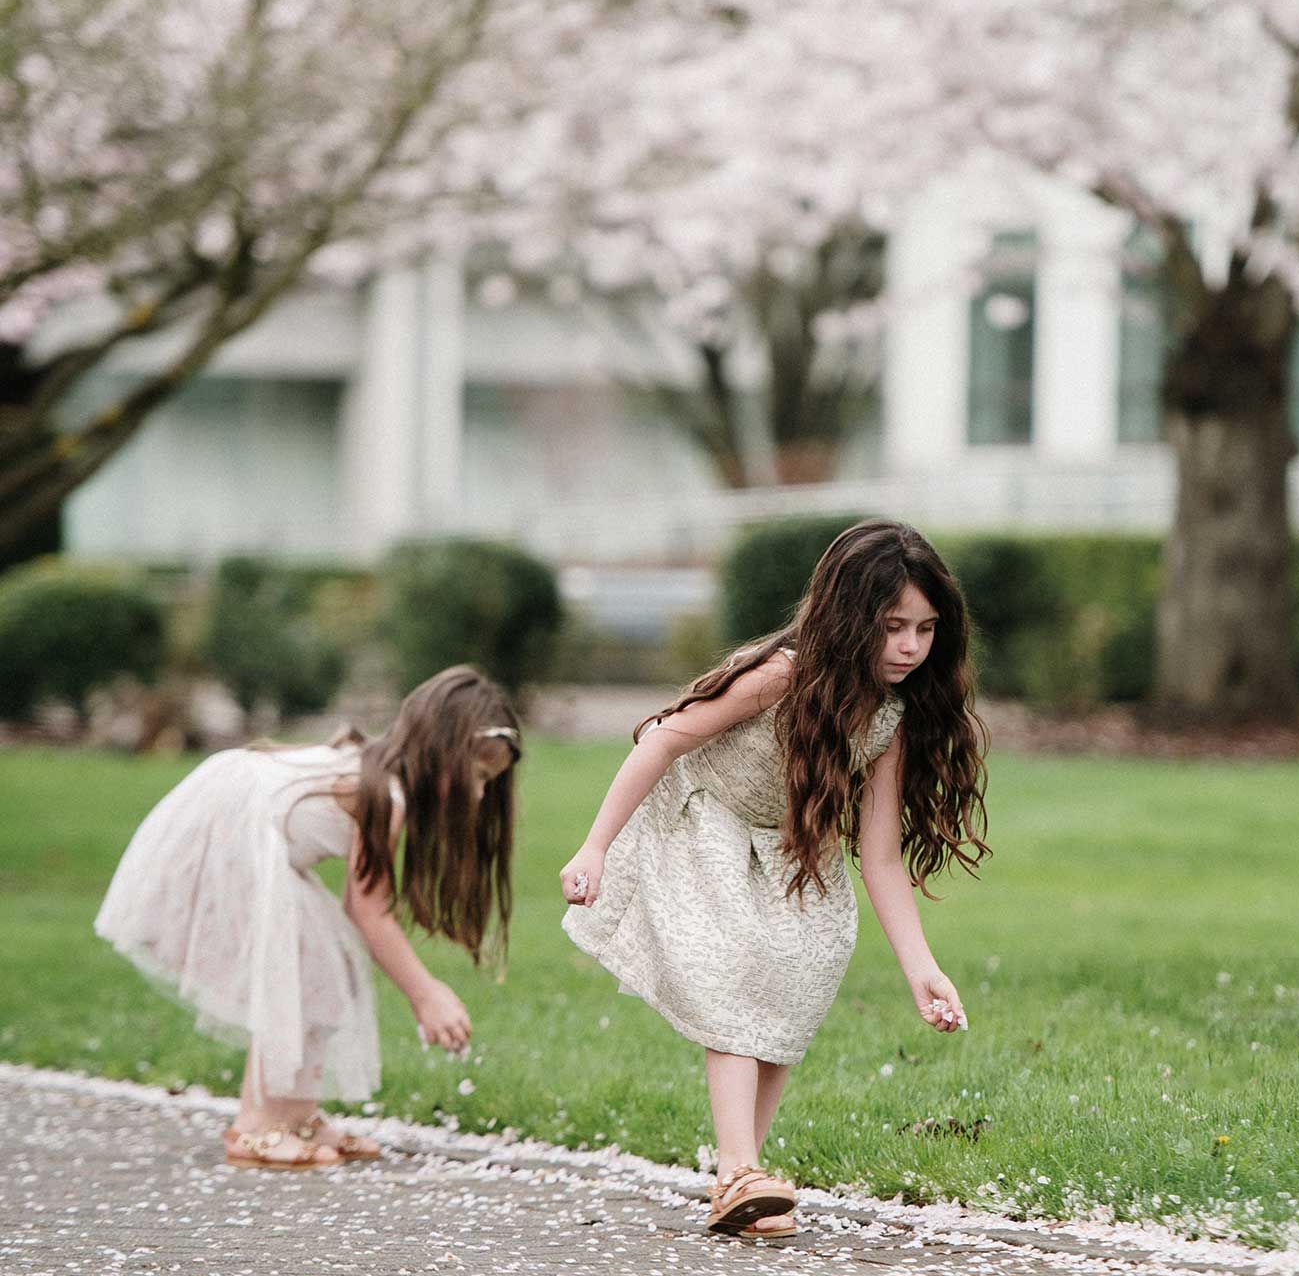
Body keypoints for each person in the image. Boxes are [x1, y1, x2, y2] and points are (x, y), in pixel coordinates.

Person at [561, 521, 988, 1237]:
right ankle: (737, 1169)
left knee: (805, 965)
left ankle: (745, 1178)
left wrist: (923, 969)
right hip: (708, 820)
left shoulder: (892, 718)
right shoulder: (782, 675)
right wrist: (595, 847)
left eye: (925, 628)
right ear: (850, 619)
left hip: (794, 845)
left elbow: (879, 857)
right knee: (734, 967)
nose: (911, 647)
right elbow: (666, 737)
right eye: (892, 627)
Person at [95, 664, 521, 1169]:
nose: (478, 795)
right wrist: (424, 993)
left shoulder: (377, 774)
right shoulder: (384, 793)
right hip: (230, 838)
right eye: (475, 776)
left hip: (251, 838)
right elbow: (369, 909)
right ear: (441, 747)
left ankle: (295, 1113)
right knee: (291, 968)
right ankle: (255, 1125)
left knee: (323, 966)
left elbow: (357, 905)